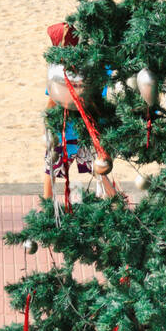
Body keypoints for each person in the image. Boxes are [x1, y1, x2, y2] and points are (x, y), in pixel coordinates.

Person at [42, 22, 115, 200]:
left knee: (51, 168)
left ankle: (47, 201)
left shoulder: (61, 72)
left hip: (66, 131)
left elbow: (52, 99)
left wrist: (47, 123)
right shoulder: (92, 67)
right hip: (91, 128)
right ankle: (115, 199)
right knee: (99, 168)